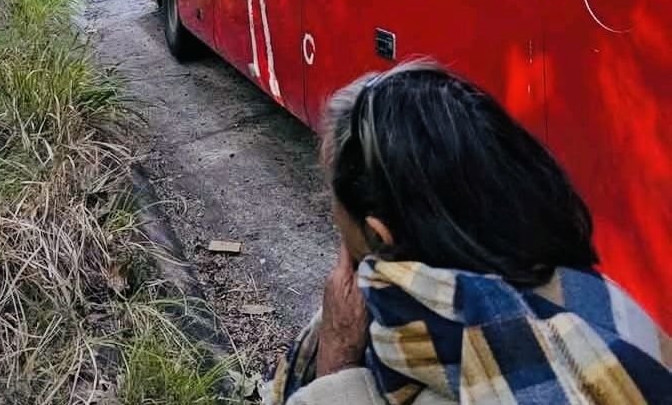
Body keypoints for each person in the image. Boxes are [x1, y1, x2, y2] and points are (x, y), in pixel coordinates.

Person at [265, 60, 671, 405]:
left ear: (380, 238)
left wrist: (336, 354)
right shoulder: (612, 308)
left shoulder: (377, 384)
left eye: (333, 202)